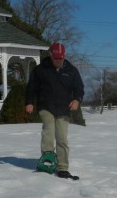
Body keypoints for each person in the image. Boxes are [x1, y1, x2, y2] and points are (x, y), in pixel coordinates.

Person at [25, 42, 84, 179]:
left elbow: (79, 88)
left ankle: (62, 167)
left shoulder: (71, 71)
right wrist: (29, 102)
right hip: (46, 106)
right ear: (51, 55)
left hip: (63, 109)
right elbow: (31, 87)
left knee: (62, 138)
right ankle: (47, 161)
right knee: (49, 131)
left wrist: (76, 100)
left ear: (64, 56)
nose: (58, 61)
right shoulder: (41, 69)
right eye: (56, 58)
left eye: (60, 58)